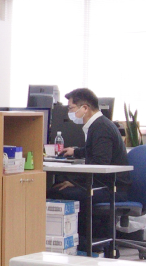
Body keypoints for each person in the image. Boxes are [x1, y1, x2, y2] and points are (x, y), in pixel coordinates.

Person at [50, 88, 131, 237]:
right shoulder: (98, 125)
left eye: (71, 108)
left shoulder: (101, 128)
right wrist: (75, 151)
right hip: (105, 184)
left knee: (58, 192)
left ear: (85, 108)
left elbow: (100, 164)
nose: (69, 112)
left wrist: (75, 182)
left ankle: (84, 242)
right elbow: (95, 151)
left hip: (112, 189)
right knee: (59, 188)